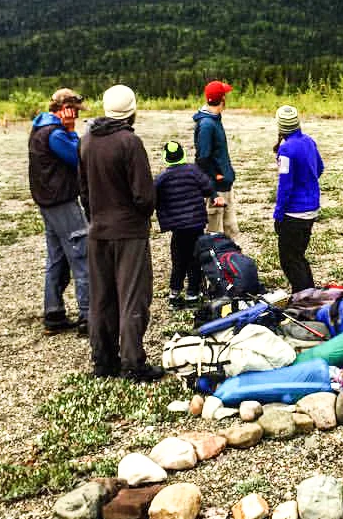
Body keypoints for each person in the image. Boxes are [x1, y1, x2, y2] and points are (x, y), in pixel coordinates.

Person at [79, 84, 162, 381]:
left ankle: (103, 361)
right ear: (132, 109)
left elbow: (84, 191)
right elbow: (144, 195)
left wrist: (96, 217)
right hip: (128, 231)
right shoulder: (130, 142)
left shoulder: (86, 140)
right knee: (132, 297)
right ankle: (133, 362)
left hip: (98, 229)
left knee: (101, 298)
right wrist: (144, 213)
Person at [28, 88, 90, 335]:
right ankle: (88, 316)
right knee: (82, 255)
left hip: (48, 203)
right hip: (62, 201)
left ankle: (53, 313)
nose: (75, 115)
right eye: (74, 110)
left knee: (57, 259)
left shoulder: (39, 128)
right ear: (66, 109)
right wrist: (72, 132)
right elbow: (79, 157)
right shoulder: (56, 135)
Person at [154, 140, 223, 308]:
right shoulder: (193, 171)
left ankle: (175, 295)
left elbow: (153, 197)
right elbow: (208, 187)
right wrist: (214, 196)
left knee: (178, 261)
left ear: (166, 158)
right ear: (182, 154)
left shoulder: (162, 178)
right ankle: (192, 294)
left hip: (178, 229)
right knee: (196, 259)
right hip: (196, 224)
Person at [273, 104, 324, 293]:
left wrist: (278, 214)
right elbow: (319, 168)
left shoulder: (286, 151)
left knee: (289, 260)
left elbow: (285, 186)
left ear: (280, 126)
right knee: (298, 255)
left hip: (294, 213)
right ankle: (309, 292)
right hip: (311, 208)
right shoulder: (309, 141)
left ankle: (304, 297)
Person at [193, 80, 239, 240]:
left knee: (230, 230)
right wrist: (216, 176)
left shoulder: (214, 119)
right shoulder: (207, 124)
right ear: (222, 99)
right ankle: (214, 264)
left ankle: (231, 262)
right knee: (215, 233)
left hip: (225, 184)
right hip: (216, 186)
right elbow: (202, 158)